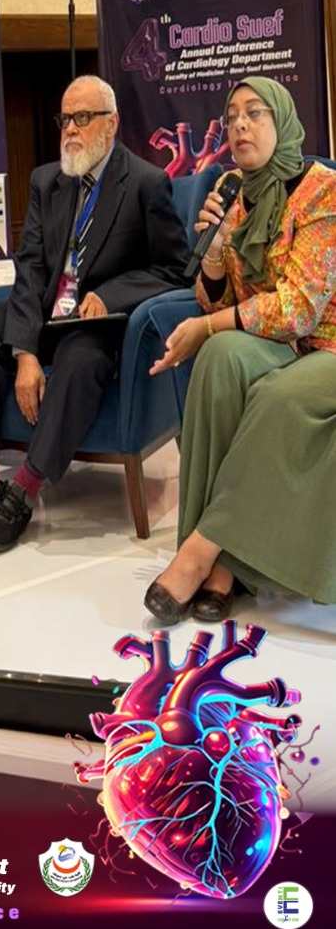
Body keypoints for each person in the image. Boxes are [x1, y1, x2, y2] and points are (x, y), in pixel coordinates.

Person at [0, 76, 189, 552]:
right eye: (65, 118)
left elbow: (174, 270)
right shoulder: (47, 181)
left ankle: (23, 490)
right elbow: (30, 266)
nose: (70, 129)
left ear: (111, 124)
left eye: (82, 118)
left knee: (81, 355)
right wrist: (25, 351)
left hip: (98, 328)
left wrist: (111, 295)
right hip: (49, 316)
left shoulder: (146, 183)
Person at [146, 76, 336, 624]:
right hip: (276, 342)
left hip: (326, 343)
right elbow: (220, 300)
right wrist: (214, 249)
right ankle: (221, 563)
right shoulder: (233, 188)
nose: (239, 126)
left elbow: (300, 308)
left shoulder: (323, 190)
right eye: (231, 117)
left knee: (277, 396)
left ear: (282, 120)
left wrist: (208, 326)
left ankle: (206, 554)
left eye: (254, 113)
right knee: (219, 358)